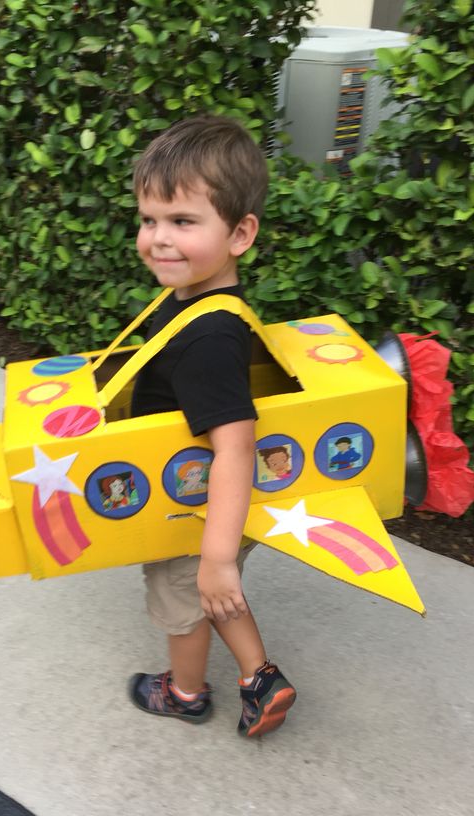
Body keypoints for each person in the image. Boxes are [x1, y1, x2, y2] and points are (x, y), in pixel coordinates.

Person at [127, 115, 296, 738]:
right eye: (149, 220)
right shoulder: (199, 302)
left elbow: (236, 444)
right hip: (201, 500)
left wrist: (217, 556)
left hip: (193, 507)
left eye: (183, 222)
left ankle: (186, 693)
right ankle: (260, 678)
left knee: (186, 601)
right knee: (212, 594)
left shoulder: (207, 336)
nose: (159, 239)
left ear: (240, 234)